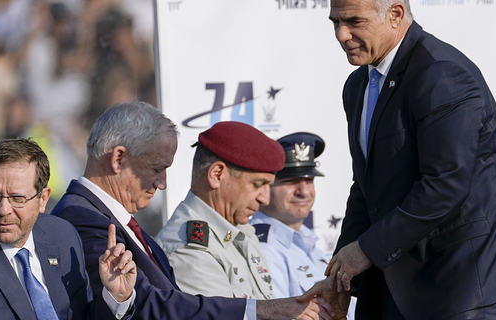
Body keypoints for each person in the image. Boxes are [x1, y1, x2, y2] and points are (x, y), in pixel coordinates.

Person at [299, 0, 496, 319]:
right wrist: (341, 277)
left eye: (354, 21)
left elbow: (446, 184)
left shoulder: (442, 72)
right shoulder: (357, 85)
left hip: (454, 283)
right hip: (387, 280)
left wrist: (366, 250)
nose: (341, 34)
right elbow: (366, 188)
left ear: (396, 15)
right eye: (335, 22)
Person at [51, 101, 335, 320]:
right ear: (119, 158)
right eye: (157, 168)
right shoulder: (83, 219)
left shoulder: (109, 219)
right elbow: (146, 303)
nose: (162, 183)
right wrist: (261, 310)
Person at [0, 138, 136, 320]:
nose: (3, 209)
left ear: (43, 199)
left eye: (17, 198)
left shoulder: (61, 235)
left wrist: (117, 297)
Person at [155, 121, 280, 300]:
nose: (265, 199)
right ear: (217, 175)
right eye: (257, 184)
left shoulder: (240, 231)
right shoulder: (189, 248)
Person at [249, 132, 330, 297]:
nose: (304, 192)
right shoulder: (260, 248)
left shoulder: (309, 245)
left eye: (309, 180)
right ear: (264, 187)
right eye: (290, 181)